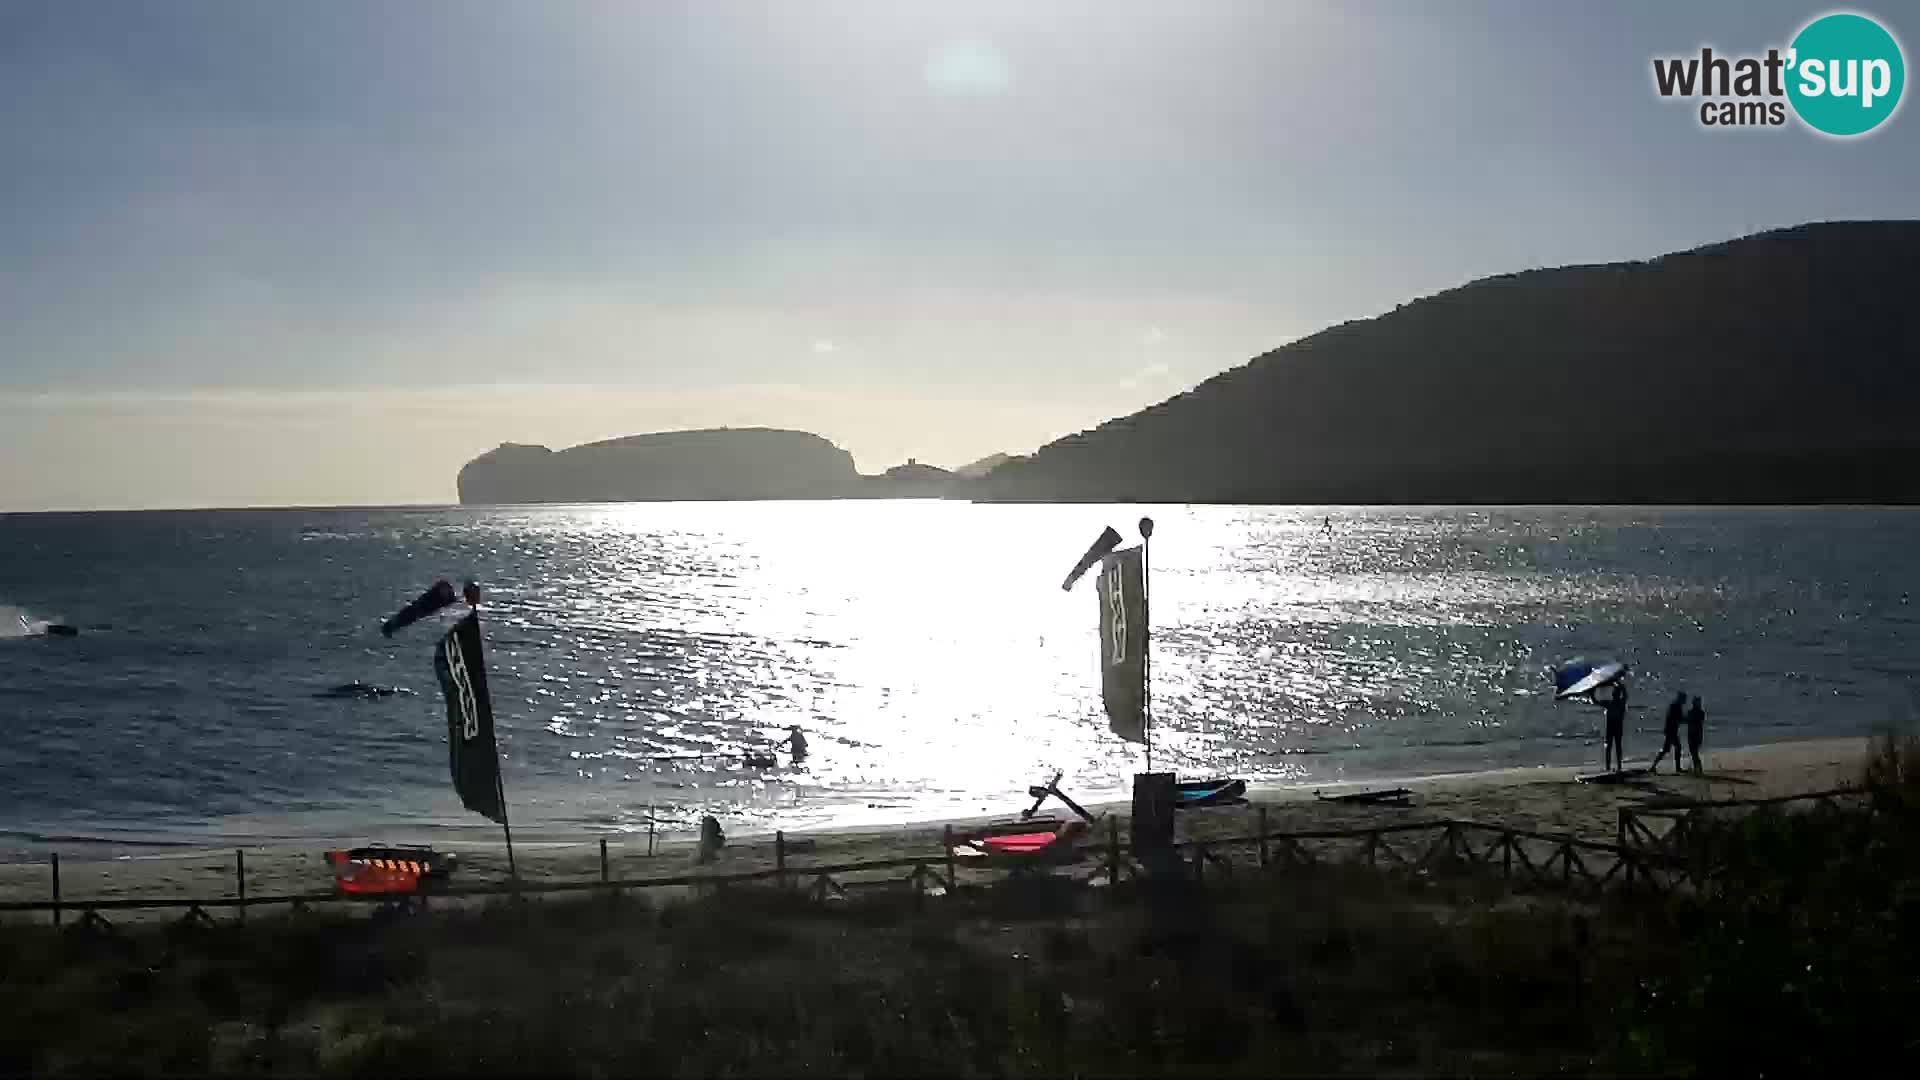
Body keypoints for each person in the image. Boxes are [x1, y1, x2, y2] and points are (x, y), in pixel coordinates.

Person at [1650, 691, 1687, 773]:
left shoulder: (1675, 705)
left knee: (1668, 749)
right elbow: (1678, 719)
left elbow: (1677, 718)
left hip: (1671, 730)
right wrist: (1688, 720)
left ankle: (1654, 766)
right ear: (1681, 699)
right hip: (1671, 730)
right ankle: (1677, 768)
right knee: (1671, 748)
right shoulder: (1676, 706)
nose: (1685, 701)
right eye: (1684, 699)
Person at [1602, 683, 1628, 772]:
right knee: (1609, 746)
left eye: (1616, 693)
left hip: (1617, 726)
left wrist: (1618, 683)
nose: (1614, 695)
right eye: (1614, 693)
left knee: (1617, 747)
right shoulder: (1609, 703)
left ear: (1617, 695)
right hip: (1611, 727)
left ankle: (1619, 766)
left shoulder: (1621, 703)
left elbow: (1625, 693)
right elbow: (1596, 701)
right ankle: (1608, 767)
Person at [1687, 696, 1706, 775]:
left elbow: (1690, 721)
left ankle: (1698, 769)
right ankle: (1698, 768)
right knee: (1694, 752)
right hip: (1695, 734)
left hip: (1695, 734)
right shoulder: (1700, 712)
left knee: (1694, 753)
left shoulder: (1694, 712)